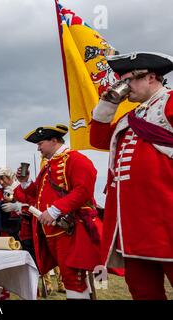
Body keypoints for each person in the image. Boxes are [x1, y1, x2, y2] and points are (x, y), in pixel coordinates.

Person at [90, 52, 173, 300]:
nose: (124, 88)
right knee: (142, 291)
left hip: (167, 217)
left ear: (150, 77)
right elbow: (98, 140)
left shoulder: (169, 102)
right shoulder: (130, 118)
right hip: (132, 227)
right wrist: (108, 103)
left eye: (129, 80)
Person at [5, 124, 102, 299]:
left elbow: (83, 190)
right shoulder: (48, 167)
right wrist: (25, 182)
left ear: (54, 141)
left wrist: (55, 210)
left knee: (73, 276)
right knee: (69, 276)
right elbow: (32, 195)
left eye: (41, 143)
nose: (38, 148)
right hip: (54, 232)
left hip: (72, 230)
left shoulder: (76, 159)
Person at [0, 167, 35, 300]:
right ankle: (4, 294)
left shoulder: (21, 189)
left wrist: (18, 207)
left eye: (3, 178)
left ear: (11, 177)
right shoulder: (0, 193)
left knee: (25, 267)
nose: (1, 182)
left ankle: (31, 293)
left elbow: (32, 207)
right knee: (3, 266)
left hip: (22, 234)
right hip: (3, 235)